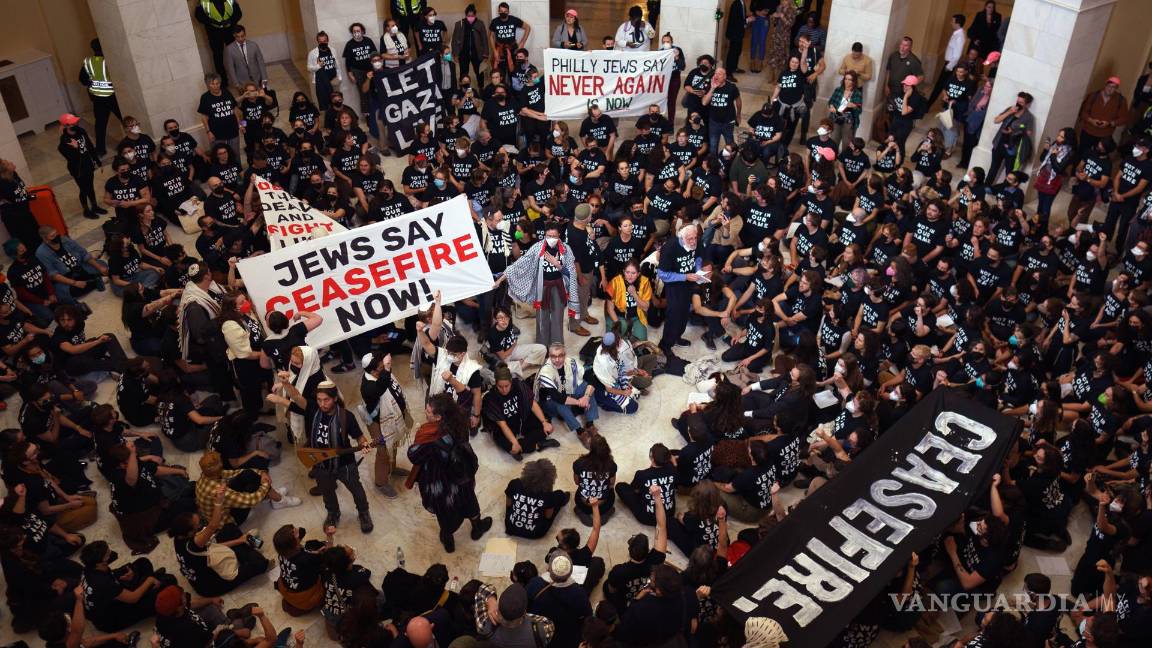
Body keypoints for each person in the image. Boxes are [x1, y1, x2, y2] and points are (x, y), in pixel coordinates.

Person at [408, 393, 494, 552]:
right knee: (469, 501)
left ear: (439, 416)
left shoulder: (429, 437)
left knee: (445, 512)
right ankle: (477, 528)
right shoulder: (460, 422)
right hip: (461, 476)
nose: (425, 413)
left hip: (441, 482)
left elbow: (413, 455)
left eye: (428, 412)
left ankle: (447, 539)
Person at [291, 380, 374, 533]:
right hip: (321, 463)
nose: (322, 404)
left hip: (345, 463)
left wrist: (365, 444)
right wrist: (285, 383)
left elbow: (360, 437)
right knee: (327, 491)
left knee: (356, 489)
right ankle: (333, 513)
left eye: (326, 400)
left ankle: (363, 512)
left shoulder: (346, 417)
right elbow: (296, 396)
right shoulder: (313, 409)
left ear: (335, 398)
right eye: (319, 399)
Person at [505, 221, 581, 348]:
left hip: (558, 287)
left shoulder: (566, 249)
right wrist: (505, 275)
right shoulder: (538, 247)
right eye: (548, 236)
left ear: (559, 235)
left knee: (558, 317)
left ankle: (557, 346)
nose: (551, 239)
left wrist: (557, 264)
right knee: (541, 318)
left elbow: (571, 273)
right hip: (542, 286)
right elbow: (522, 262)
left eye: (554, 236)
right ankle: (542, 346)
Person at [167, 504, 269, 597]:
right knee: (261, 564)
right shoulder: (192, 545)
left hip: (205, 565)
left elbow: (213, 547)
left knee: (229, 528)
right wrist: (218, 502)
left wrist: (240, 540)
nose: (201, 526)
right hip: (213, 585)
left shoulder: (178, 538)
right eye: (198, 525)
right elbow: (212, 526)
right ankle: (245, 552)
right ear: (189, 532)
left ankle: (244, 548)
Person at [78, 540, 165, 632]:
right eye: (108, 554)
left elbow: (109, 576)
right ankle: (152, 582)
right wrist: (149, 580)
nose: (111, 553)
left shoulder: (88, 569)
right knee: (168, 582)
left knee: (143, 562)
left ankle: (150, 583)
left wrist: (120, 577)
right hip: (111, 619)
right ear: (100, 562)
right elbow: (133, 598)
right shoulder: (103, 583)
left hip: (108, 598)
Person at [359, 351, 411, 498]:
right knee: (382, 451)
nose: (386, 367)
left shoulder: (379, 373)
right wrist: (387, 370)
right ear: (374, 371)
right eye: (383, 367)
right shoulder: (368, 386)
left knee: (393, 444)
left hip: (391, 418)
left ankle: (392, 469)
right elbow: (381, 387)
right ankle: (381, 482)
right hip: (377, 423)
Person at [483, 364, 560, 459]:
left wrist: (544, 422)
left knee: (547, 426)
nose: (504, 390)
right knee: (504, 441)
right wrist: (514, 442)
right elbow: (502, 425)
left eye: (507, 386)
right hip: (507, 425)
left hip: (521, 419)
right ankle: (537, 445)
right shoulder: (490, 398)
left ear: (511, 382)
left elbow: (532, 404)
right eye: (500, 387)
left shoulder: (518, 384)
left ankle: (522, 448)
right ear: (496, 384)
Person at [658, 224, 702, 353]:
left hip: (690, 282)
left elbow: (698, 257)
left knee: (684, 313)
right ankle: (665, 345)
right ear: (681, 238)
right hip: (675, 285)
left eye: (695, 238)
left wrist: (699, 271)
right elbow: (663, 274)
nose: (693, 241)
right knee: (673, 315)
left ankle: (677, 337)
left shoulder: (696, 243)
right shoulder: (670, 248)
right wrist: (685, 276)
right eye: (690, 239)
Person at [504, 459, 569, 538]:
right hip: (535, 533)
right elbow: (548, 516)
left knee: (552, 500)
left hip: (511, 526)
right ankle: (564, 498)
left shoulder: (514, 484)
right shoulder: (549, 496)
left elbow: (508, 504)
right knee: (558, 496)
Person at [78, 39, 121, 157]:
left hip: (98, 98)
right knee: (125, 120)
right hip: (113, 97)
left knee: (100, 124)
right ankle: (132, 142)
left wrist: (92, 83)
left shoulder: (89, 62)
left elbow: (82, 79)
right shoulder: (109, 61)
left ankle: (100, 150)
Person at [56, 113, 104, 220]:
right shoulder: (64, 142)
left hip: (88, 164)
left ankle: (95, 206)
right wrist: (76, 148)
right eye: (72, 122)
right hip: (77, 168)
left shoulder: (81, 131)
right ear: (67, 125)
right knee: (84, 189)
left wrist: (97, 161)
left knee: (90, 186)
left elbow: (90, 146)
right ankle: (86, 210)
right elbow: (72, 159)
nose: (75, 123)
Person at [988, 91, 1035, 185]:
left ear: (1027, 104)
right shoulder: (1011, 109)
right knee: (993, 168)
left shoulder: (1028, 117)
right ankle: (986, 187)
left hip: (1012, 147)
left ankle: (1005, 192)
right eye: (1017, 101)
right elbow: (996, 120)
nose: (1018, 104)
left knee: (1009, 172)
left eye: (1021, 103)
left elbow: (1029, 133)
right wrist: (1009, 112)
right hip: (999, 142)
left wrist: (1015, 131)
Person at [1078, 76, 1130, 156]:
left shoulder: (1121, 100)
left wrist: (1110, 123)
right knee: (1081, 153)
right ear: (1105, 85)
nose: (1110, 89)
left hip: (1104, 136)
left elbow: (1124, 119)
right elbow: (1083, 112)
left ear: (1116, 89)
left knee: (1097, 157)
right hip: (1088, 131)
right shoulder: (1093, 95)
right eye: (1109, 86)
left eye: (1113, 87)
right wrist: (1091, 121)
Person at [194, 0, 243, 84]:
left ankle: (240, 77)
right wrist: (212, 22)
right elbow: (199, 16)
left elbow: (238, 13)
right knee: (218, 57)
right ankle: (223, 81)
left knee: (235, 54)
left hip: (230, 31)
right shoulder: (203, 2)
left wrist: (230, 21)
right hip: (214, 33)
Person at [0, 159, 43, 248]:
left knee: (37, 235)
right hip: (14, 217)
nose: (12, 162)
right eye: (8, 164)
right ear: (4, 170)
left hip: (25, 211)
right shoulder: (2, 184)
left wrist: (30, 197)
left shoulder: (13, 174)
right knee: (27, 242)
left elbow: (22, 190)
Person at [928, 14, 967, 105]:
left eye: (952, 21)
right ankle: (930, 102)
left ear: (958, 23)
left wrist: (949, 66)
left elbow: (957, 55)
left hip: (950, 64)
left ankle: (929, 104)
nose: (951, 23)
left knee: (941, 85)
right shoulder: (957, 33)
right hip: (948, 63)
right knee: (940, 84)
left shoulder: (960, 36)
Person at [197, 73, 241, 154]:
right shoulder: (205, 97)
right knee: (219, 155)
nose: (215, 86)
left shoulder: (226, 92)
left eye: (217, 83)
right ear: (208, 85)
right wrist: (208, 132)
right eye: (212, 84)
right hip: (217, 133)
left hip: (233, 129)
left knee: (235, 154)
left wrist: (240, 124)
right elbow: (204, 116)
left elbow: (234, 108)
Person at [703, 67, 742, 154]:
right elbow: (704, 102)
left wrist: (738, 114)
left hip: (728, 121)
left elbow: (738, 101)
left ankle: (730, 163)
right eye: (715, 73)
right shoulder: (710, 85)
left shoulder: (732, 87)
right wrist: (712, 88)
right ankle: (714, 164)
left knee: (730, 143)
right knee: (713, 145)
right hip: (714, 121)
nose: (716, 76)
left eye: (719, 74)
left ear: (725, 77)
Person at [223, 25, 267, 94]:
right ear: (234, 35)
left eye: (242, 36)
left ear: (245, 34)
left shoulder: (253, 45)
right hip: (242, 83)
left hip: (257, 79)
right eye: (238, 36)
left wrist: (264, 79)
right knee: (246, 102)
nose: (240, 39)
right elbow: (230, 68)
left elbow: (261, 63)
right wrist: (236, 84)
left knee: (260, 99)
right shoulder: (229, 49)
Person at [452, 4, 488, 86]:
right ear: (466, 15)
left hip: (477, 53)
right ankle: (464, 88)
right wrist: (455, 54)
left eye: (472, 15)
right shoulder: (459, 24)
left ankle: (481, 88)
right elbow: (454, 40)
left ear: (475, 15)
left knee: (479, 72)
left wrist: (486, 54)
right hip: (463, 53)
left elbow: (484, 40)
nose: (470, 17)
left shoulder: (480, 24)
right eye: (468, 15)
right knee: (463, 72)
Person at [489, 2, 530, 74]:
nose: (503, 13)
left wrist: (522, 42)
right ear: (498, 11)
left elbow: (528, 27)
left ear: (508, 11)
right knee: (500, 71)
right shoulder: (494, 22)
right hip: (500, 49)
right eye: (501, 11)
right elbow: (490, 36)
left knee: (514, 70)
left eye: (505, 11)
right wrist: (494, 51)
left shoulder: (513, 20)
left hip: (513, 48)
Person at [307, 31, 342, 111]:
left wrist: (339, 77)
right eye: (320, 41)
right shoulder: (312, 53)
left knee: (336, 102)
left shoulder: (332, 50)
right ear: (318, 42)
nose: (323, 43)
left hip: (333, 80)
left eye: (324, 41)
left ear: (327, 40)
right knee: (325, 103)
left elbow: (337, 64)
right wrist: (318, 66)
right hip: (321, 82)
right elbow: (309, 68)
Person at [723, 0, 750, 76]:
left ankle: (734, 68)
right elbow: (736, 20)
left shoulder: (742, 3)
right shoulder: (736, 4)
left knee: (738, 51)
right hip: (734, 33)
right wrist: (747, 20)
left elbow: (741, 16)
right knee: (732, 53)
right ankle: (728, 73)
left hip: (739, 33)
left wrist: (747, 17)